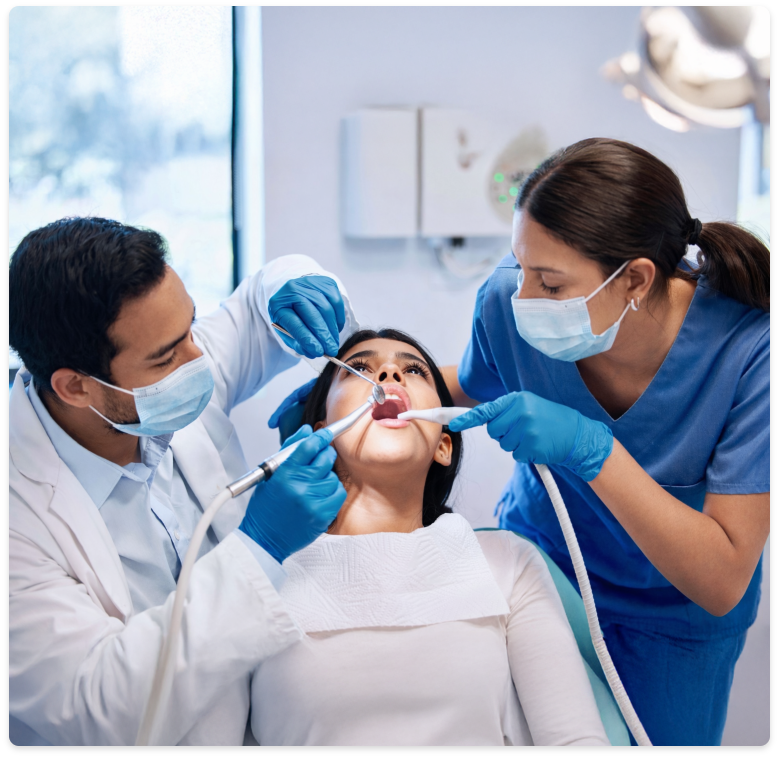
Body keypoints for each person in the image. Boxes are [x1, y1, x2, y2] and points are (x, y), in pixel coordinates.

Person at [441, 138, 770, 746]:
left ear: (636, 279)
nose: (525, 300)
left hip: (672, 624)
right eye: (521, 266)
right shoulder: (504, 303)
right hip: (540, 572)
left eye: (553, 284)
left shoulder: (751, 353)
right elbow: (470, 383)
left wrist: (595, 452)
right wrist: (367, 389)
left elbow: (723, 577)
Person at [9, 217, 358, 745]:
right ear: (76, 386)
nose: (199, 360)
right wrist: (260, 548)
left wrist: (291, 282)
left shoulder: (157, 366)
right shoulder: (21, 515)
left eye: (191, 329)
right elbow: (99, 709)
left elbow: (257, 303)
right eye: (167, 357)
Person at [249, 329, 611, 746]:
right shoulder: (258, 573)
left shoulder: (506, 563)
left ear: (443, 445)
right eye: (360, 369)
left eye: (414, 370)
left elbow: (575, 740)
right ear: (319, 433)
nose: (387, 374)